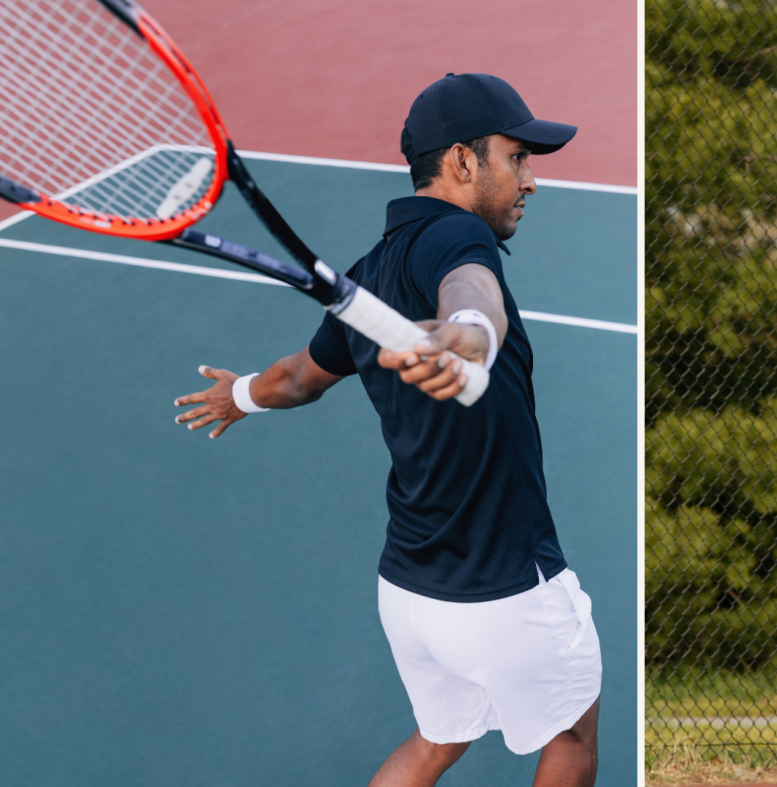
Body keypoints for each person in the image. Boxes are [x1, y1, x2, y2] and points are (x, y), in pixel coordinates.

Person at [173, 73, 601, 787]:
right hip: (503, 587)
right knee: (573, 734)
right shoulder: (461, 236)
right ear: (463, 161)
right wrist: (468, 332)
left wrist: (240, 395)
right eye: (517, 158)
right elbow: (473, 291)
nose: (531, 179)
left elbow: (299, 378)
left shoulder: (369, 275)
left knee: (437, 740)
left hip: (409, 590)